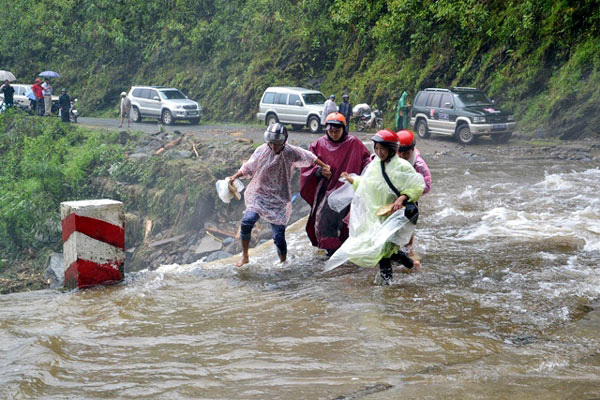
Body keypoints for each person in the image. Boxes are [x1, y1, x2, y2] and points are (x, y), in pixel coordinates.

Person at [325, 129, 425, 284]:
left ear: (391, 149)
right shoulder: (374, 165)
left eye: (382, 149)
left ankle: (386, 288)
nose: (379, 152)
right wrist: (352, 181)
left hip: (393, 214)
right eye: (376, 148)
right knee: (385, 250)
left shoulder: (402, 166)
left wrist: (401, 199)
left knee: (383, 253)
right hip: (376, 215)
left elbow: (417, 186)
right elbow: (367, 185)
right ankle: (411, 264)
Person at [227, 123, 331, 267]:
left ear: (283, 141)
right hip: (260, 194)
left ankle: (283, 262)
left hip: (279, 198)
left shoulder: (290, 152)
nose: (274, 147)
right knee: (247, 222)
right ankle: (245, 256)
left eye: (277, 144)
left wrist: (324, 166)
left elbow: (310, 157)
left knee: (278, 237)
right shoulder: (262, 150)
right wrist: (235, 176)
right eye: (271, 144)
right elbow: (249, 166)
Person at [300, 112, 371, 256]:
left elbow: (366, 161)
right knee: (325, 222)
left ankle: (348, 248)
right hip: (328, 191)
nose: (333, 133)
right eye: (330, 130)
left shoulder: (354, 142)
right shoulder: (318, 144)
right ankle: (331, 251)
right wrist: (319, 171)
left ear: (344, 129)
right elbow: (307, 164)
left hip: (349, 190)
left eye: (337, 130)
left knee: (349, 221)